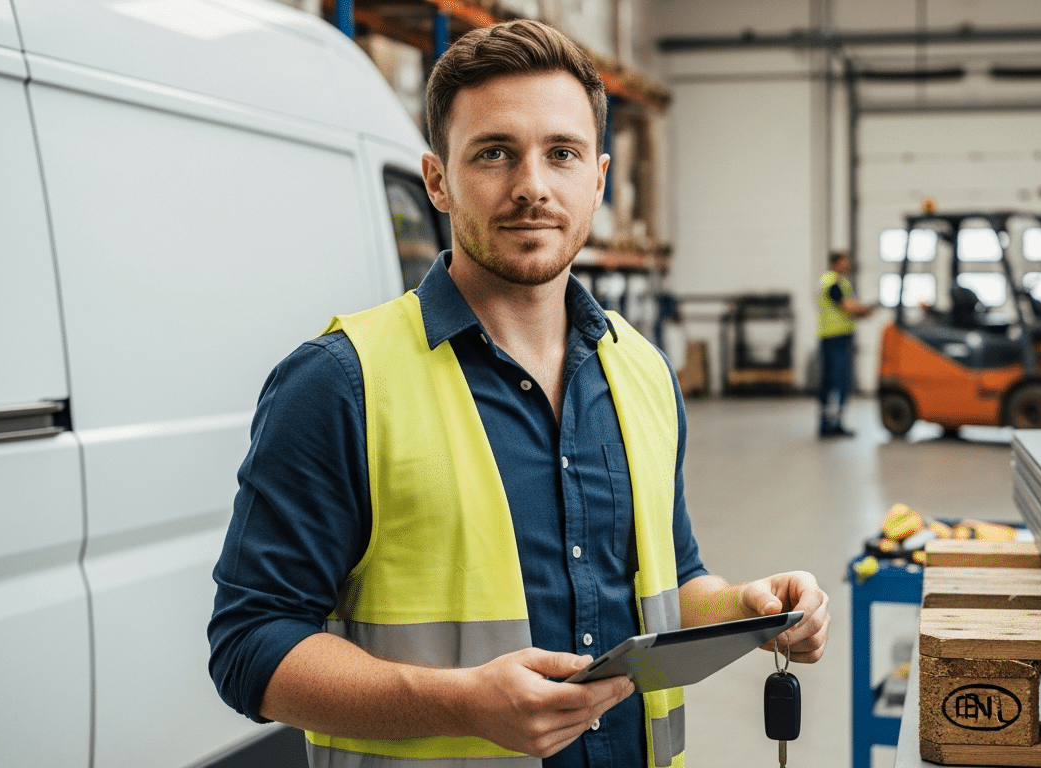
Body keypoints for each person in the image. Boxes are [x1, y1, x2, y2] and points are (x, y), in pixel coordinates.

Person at [207, 19, 830, 768]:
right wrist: (458, 702)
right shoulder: (341, 384)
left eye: (560, 154)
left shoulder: (643, 372)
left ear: (596, 179)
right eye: (495, 152)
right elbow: (249, 646)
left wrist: (747, 609)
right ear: (438, 179)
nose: (532, 185)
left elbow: (673, 581)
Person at [817, 251, 873, 437]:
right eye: (844, 262)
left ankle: (831, 423)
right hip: (835, 338)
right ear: (836, 263)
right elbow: (847, 306)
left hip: (836, 337)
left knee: (833, 381)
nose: (848, 265)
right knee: (837, 380)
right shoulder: (832, 282)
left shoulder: (838, 281)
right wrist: (864, 310)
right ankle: (831, 424)